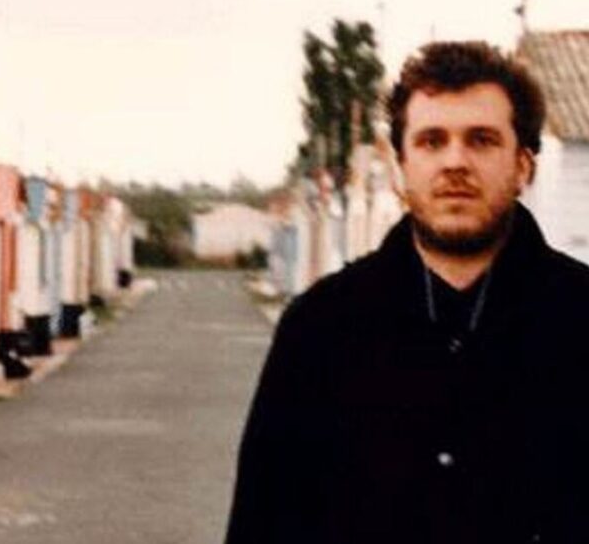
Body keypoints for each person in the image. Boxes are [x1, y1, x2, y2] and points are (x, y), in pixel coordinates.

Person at [225, 41, 589, 543]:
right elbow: (264, 522)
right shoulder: (320, 328)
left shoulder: (579, 320)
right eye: (431, 141)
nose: (455, 162)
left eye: (481, 140)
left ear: (524, 167)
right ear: (399, 170)